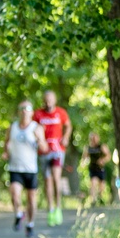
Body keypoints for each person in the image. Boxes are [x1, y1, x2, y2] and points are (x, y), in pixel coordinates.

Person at [3, 100, 48, 238]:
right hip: (15, 167)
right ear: (18, 111)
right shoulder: (13, 127)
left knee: (31, 199)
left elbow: (45, 148)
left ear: (31, 112)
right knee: (15, 194)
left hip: (30, 169)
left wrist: (40, 140)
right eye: (21, 108)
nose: (24, 111)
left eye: (27, 108)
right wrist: (5, 152)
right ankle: (18, 214)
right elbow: (6, 142)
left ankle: (30, 224)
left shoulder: (36, 128)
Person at [33, 90, 72, 226]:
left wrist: (66, 138)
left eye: (50, 99)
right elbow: (32, 130)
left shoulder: (61, 112)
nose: (48, 102)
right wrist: (39, 138)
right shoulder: (37, 114)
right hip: (44, 151)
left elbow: (68, 126)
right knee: (47, 181)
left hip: (58, 150)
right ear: (43, 100)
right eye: (46, 100)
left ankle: (58, 207)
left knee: (56, 177)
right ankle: (50, 209)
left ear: (55, 100)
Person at [81, 132, 111, 206]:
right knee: (93, 183)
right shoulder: (88, 148)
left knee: (102, 185)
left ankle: (100, 198)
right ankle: (93, 200)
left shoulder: (102, 146)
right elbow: (84, 157)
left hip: (100, 168)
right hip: (92, 168)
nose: (93, 140)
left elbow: (108, 156)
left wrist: (102, 160)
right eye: (92, 138)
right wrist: (84, 162)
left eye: (95, 138)